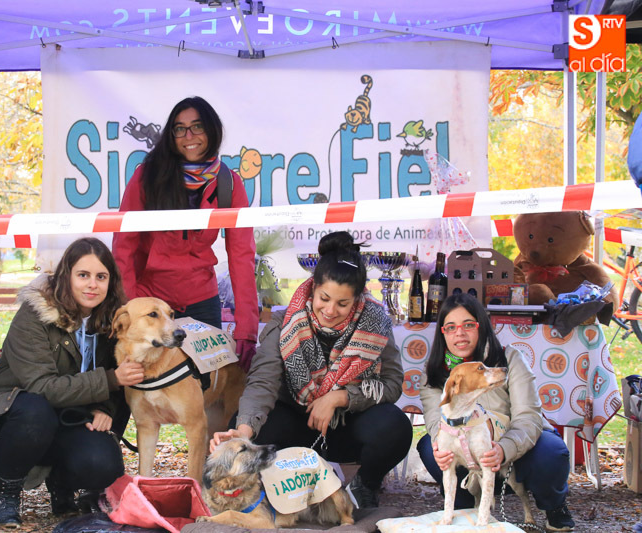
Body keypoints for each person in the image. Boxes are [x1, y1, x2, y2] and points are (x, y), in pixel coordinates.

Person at [210, 231, 413, 508]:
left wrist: (340, 398)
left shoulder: (376, 324)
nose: (330, 310)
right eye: (324, 298)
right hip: (295, 424)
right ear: (313, 288)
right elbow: (262, 382)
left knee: (395, 427)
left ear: (357, 299)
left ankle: (365, 485)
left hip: (348, 425)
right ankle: (281, 484)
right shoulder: (285, 323)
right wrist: (243, 432)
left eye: (342, 304)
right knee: (248, 424)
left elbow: (392, 384)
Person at [0, 237, 144, 527]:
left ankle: (62, 485)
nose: (92, 285)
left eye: (101, 277)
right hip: (10, 412)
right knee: (35, 410)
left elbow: (123, 377)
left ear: (111, 282)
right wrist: (110, 380)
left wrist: (105, 408)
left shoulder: (112, 318)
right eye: (83, 275)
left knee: (103, 465)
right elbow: (42, 387)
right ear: (66, 276)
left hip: (72, 414)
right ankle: (6, 491)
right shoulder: (35, 314)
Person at [112, 96, 258, 370]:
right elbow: (123, 248)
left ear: (212, 130)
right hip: (150, 302)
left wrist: (247, 329)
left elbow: (242, 257)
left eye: (197, 127)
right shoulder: (146, 177)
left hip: (201, 301)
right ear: (171, 135)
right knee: (141, 382)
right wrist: (131, 307)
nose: (189, 136)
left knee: (205, 386)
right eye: (180, 129)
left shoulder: (229, 183)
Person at [417, 293, 575, 532]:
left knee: (552, 452)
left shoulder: (509, 359)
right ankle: (463, 505)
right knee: (431, 448)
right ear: (443, 333)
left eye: (468, 325)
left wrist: (503, 449)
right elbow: (433, 421)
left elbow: (528, 417)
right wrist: (439, 446)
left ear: (481, 326)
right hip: (465, 449)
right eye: (450, 327)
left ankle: (553, 505)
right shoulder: (434, 373)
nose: (459, 333)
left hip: (513, 449)